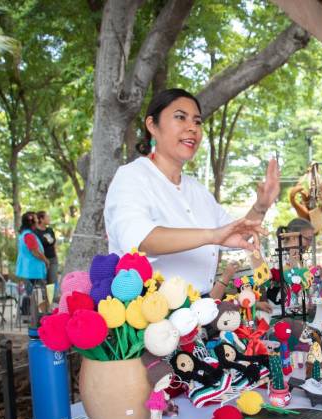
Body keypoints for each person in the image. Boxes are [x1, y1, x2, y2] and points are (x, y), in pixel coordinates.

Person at [104, 88, 277, 312]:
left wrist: (261, 206)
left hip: (201, 311)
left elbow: (235, 234)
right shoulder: (132, 177)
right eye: (180, 117)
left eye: (197, 121)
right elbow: (140, 240)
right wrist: (212, 236)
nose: (192, 127)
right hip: (149, 319)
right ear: (152, 125)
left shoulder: (197, 190)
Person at [16, 211, 48, 297]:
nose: (38, 220)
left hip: (28, 270)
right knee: (38, 295)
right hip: (33, 271)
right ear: (31, 222)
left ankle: (32, 309)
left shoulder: (24, 234)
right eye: (36, 218)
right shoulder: (29, 235)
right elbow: (35, 252)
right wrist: (46, 260)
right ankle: (37, 310)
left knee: (30, 295)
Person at [34, 210, 58, 289]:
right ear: (41, 219)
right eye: (47, 217)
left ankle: (53, 300)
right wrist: (43, 259)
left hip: (52, 259)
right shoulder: (35, 232)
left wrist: (56, 256)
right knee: (43, 283)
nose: (49, 218)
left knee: (53, 281)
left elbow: (54, 243)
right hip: (42, 260)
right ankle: (45, 300)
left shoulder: (50, 230)